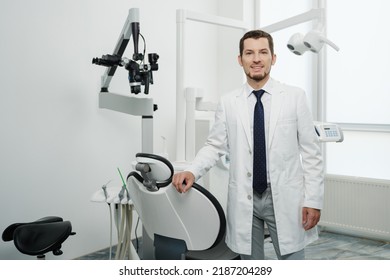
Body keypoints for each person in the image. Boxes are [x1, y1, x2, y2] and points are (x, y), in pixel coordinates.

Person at [172, 30, 324, 260]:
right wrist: (193, 170)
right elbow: (214, 145)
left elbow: (311, 153)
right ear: (240, 59)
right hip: (245, 198)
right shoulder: (228, 102)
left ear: (273, 58)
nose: (256, 59)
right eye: (249, 53)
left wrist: (313, 200)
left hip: (283, 196)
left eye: (263, 52)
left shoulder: (294, 97)